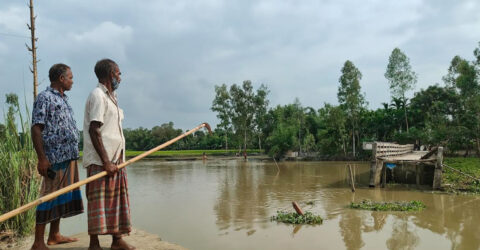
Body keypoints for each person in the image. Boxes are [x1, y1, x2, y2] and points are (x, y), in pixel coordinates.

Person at [31, 63, 84, 250]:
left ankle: (54, 235)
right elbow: (36, 128)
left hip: (68, 155)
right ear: (61, 79)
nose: (72, 81)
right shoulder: (45, 97)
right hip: (53, 157)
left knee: (61, 195)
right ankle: (38, 242)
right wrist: (42, 158)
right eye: (70, 77)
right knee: (48, 196)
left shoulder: (64, 99)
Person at [83, 59, 135, 250]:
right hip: (100, 160)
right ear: (110, 74)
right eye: (118, 73)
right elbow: (94, 129)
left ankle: (117, 240)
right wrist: (105, 161)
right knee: (97, 203)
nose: (120, 77)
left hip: (116, 158)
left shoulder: (113, 97)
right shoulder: (98, 95)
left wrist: (116, 159)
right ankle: (94, 243)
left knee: (118, 201)